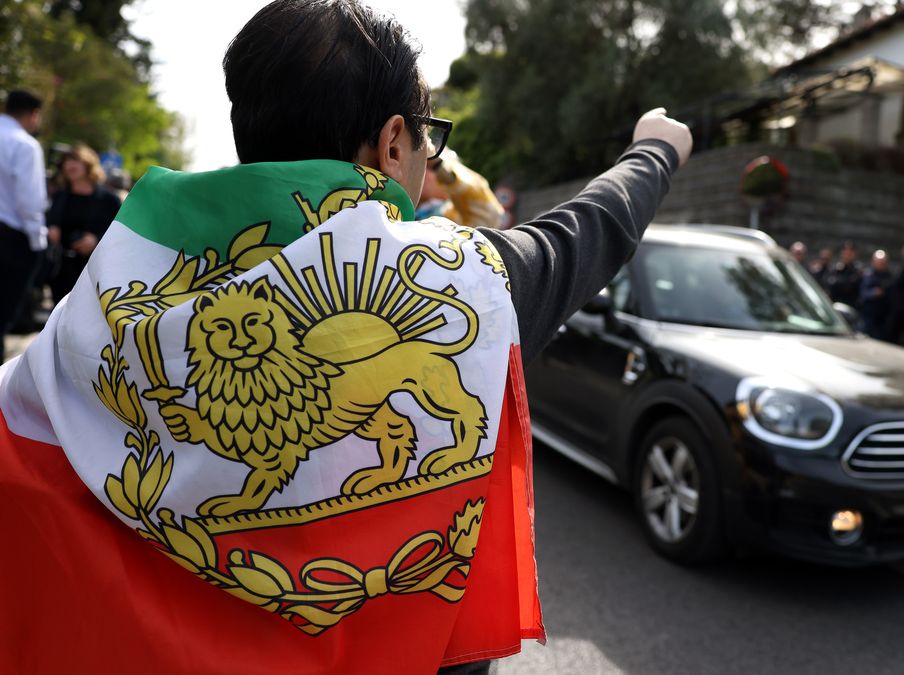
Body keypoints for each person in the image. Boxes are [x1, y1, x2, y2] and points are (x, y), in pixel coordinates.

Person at [0, 1, 693, 673]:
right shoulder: (462, 280)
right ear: (394, 141)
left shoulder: (112, 288)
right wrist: (654, 151)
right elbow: (588, 232)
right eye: (429, 133)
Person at [0, 90, 48, 363]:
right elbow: (29, 202)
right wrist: (37, 243)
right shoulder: (25, 145)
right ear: (33, 115)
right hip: (10, 239)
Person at [46, 143, 123, 303]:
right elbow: (48, 220)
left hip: (92, 270)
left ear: (89, 165)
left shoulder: (109, 200)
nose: (69, 165)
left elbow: (121, 233)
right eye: (66, 161)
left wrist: (95, 240)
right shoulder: (60, 195)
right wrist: (52, 229)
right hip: (60, 268)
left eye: (75, 160)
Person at [416, 148, 505, 230]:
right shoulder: (410, 211)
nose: (422, 171)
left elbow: (491, 215)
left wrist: (438, 165)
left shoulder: (452, 219)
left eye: (427, 166)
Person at [858, 249, 892, 339]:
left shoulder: (889, 277)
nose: (881, 265)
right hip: (868, 316)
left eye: (883, 263)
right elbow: (863, 293)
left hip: (883, 317)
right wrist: (874, 293)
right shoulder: (868, 275)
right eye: (879, 262)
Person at [826, 241, 863, 307]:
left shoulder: (858, 270)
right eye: (845, 253)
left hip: (849, 307)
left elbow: (849, 286)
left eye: (849, 253)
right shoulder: (835, 268)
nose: (846, 256)